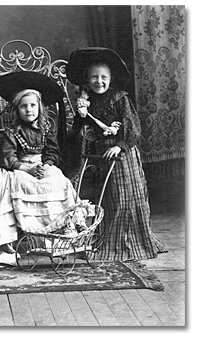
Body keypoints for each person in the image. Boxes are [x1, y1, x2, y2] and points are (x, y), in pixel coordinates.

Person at [0, 71, 78, 267]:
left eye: (33, 105)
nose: (29, 110)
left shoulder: (47, 130)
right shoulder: (12, 132)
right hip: (22, 168)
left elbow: (53, 153)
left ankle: (56, 239)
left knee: (58, 180)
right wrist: (27, 169)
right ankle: (29, 239)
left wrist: (47, 165)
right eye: (24, 106)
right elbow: (9, 158)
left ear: (40, 108)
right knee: (24, 184)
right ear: (17, 110)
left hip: (43, 165)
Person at [66, 47, 168, 261]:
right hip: (103, 155)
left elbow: (133, 127)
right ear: (87, 79)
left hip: (123, 154)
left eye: (103, 77)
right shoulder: (88, 101)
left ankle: (132, 242)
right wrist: (81, 114)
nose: (99, 81)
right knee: (108, 198)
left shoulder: (120, 98)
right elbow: (79, 128)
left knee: (125, 197)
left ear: (111, 79)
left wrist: (120, 145)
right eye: (94, 77)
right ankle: (108, 238)